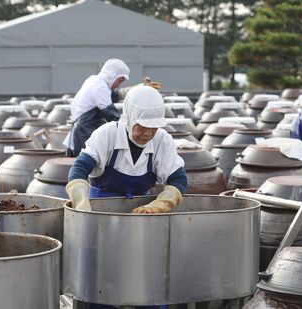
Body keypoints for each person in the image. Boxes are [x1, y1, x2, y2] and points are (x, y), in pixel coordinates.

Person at [65, 85, 187, 309]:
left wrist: (161, 203)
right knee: (104, 281)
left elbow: (178, 179)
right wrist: (81, 203)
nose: (148, 133)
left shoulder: (162, 141)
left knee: (147, 280)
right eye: (142, 127)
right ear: (129, 118)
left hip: (142, 219)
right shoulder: (107, 135)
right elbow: (79, 169)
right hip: (103, 220)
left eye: (154, 127)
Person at [66, 59, 130, 157]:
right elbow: (111, 114)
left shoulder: (94, 80)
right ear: (112, 75)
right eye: (120, 80)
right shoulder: (99, 87)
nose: (119, 84)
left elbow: (112, 97)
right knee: (87, 163)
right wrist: (129, 127)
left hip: (83, 128)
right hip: (85, 132)